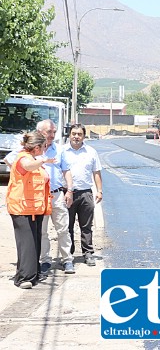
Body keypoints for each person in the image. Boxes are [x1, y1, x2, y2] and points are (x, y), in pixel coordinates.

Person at [6, 131, 54, 289]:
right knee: (27, 243)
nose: (45, 150)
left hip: (34, 209)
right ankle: (24, 278)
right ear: (38, 147)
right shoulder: (24, 158)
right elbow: (27, 166)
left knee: (34, 242)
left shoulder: (33, 159)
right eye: (44, 147)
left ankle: (32, 274)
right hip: (22, 209)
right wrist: (43, 160)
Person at [37, 120, 76, 275]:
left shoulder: (59, 150)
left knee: (63, 229)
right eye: (49, 132)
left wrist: (70, 191)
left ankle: (67, 260)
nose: (52, 135)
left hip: (58, 195)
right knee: (42, 232)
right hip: (39, 197)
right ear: (40, 132)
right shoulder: (33, 150)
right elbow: (12, 160)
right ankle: (45, 261)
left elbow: (66, 171)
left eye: (54, 132)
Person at [63, 124, 103, 267]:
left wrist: (99, 190)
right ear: (69, 135)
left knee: (86, 226)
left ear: (84, 136)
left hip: (86, 193)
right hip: (67, 193)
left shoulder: (91, 152)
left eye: (79, 134)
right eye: (74, 133)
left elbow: (96, 172)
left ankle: (88, 253)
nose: (76, 137)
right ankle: (68, 255)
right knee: (67, 226)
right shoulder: (62, 151)